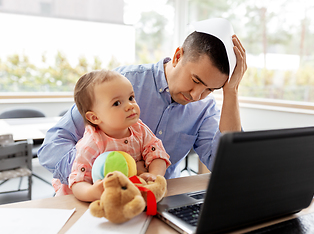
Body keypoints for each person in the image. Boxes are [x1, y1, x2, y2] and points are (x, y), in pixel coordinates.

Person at [38, 18, 247, 185]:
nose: (196, 96)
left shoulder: (204, 110)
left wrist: (232, 92)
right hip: (95, 199)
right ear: (177, 56)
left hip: (154, 202)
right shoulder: (121, 85)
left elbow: (227, 167)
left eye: (210, 89)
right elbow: (51, 147)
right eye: (195, 80)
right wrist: (108, 171)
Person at [53, 70, 171, 202]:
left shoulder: (139, 128)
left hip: (126, 197)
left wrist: (154, 175)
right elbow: (77, 182)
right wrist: (92, 192)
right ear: (95, 117)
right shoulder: (92, 143)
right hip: (79, 204)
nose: (130, 106)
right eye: (117, 103)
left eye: (131, 98)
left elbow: (157, 153)